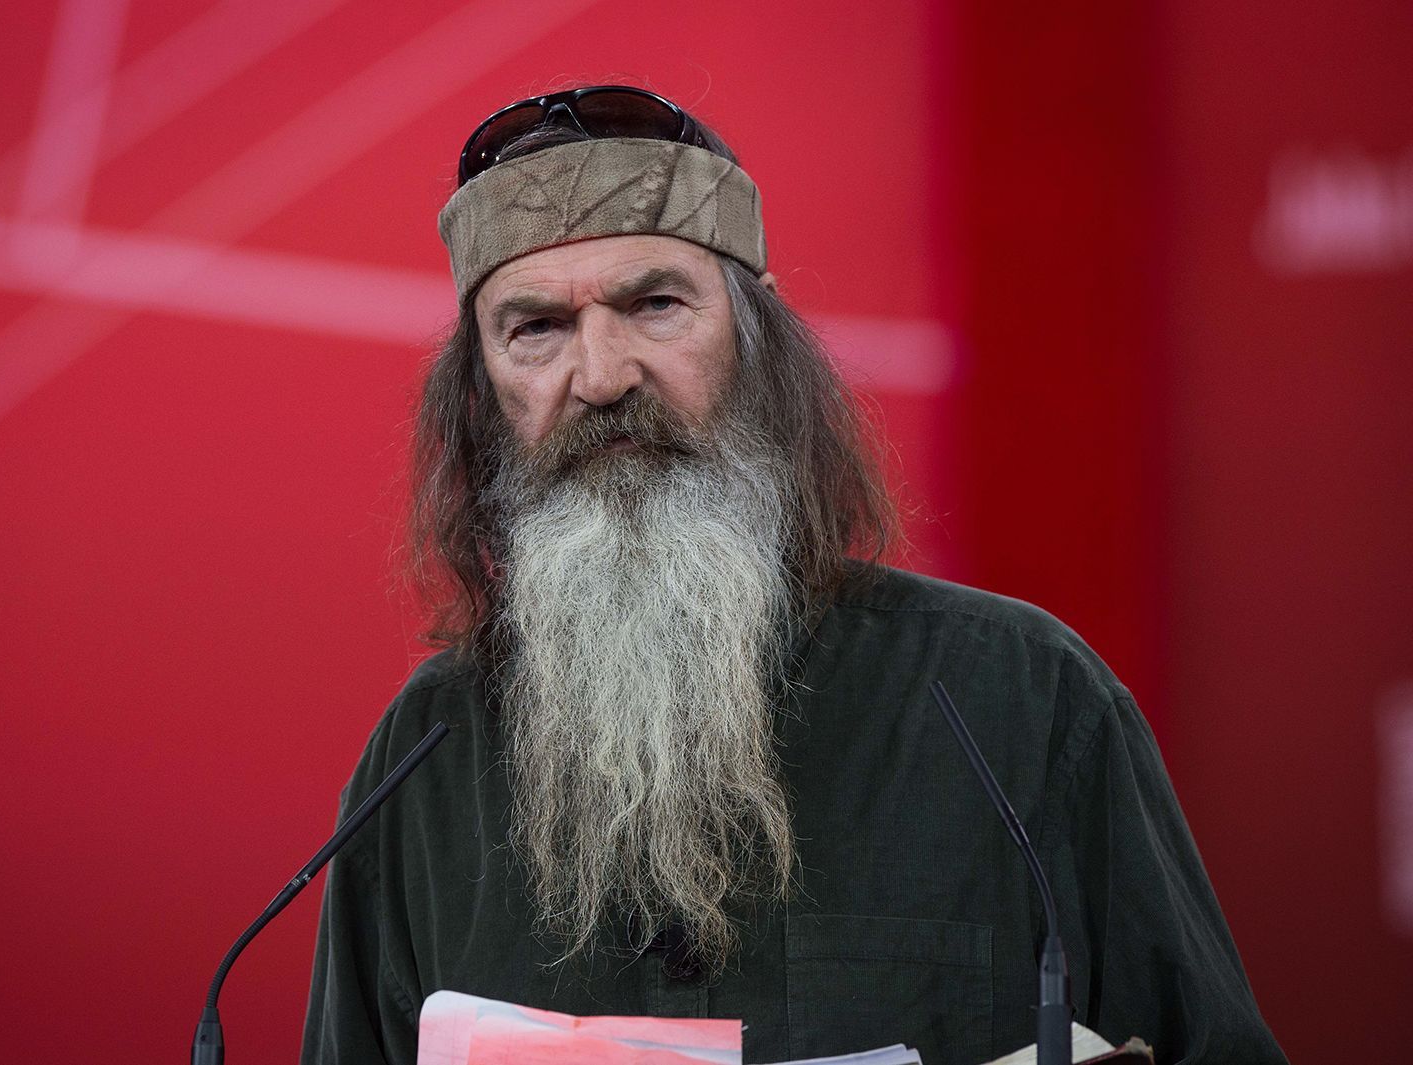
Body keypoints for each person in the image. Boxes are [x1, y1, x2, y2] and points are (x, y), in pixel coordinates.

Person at [301, 86, 1285, 1065]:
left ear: (758, 340)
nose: (600, 377)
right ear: (481, 396)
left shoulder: (1020, 702)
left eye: (655, 305)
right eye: (536, 329)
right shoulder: (420, 762)